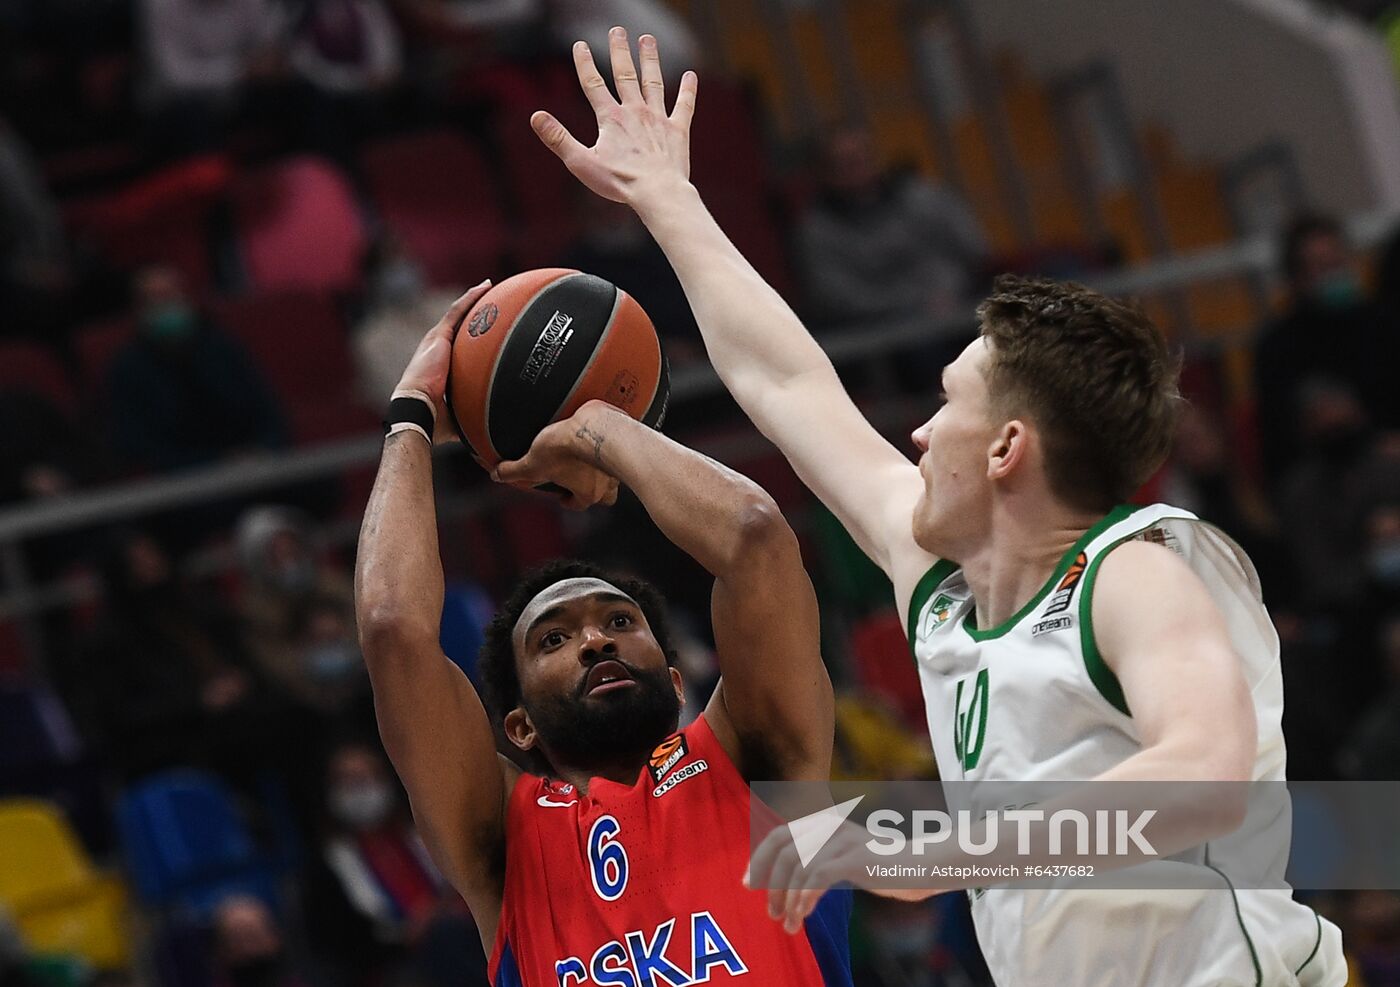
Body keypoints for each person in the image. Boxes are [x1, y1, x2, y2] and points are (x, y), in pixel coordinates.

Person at [529, 29, 1344, 984]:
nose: (917, 433)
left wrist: (924, 850)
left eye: (948, 403)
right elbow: (790, 384)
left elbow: (1201, 780)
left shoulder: (1139, 572)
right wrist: (669, 201)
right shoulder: (947, 587)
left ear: (1007, 449)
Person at [355, 286, 852, 984]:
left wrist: (594, 426)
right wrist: (410, 413)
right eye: (552, 641)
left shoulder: (755, 765)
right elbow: (391, 629)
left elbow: (753, 535)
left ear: (678, 682)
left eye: (620, 621)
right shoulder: (503, 837)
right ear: (520, 726)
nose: (595, 640)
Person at [1253, 214, 1396, 486]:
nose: (1334, 273)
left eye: (1337, 262)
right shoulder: (1279, 348)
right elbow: (1277, 440)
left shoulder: (1383, 326)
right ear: (1297, 278)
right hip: (1327, 487)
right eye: (1321, 266)